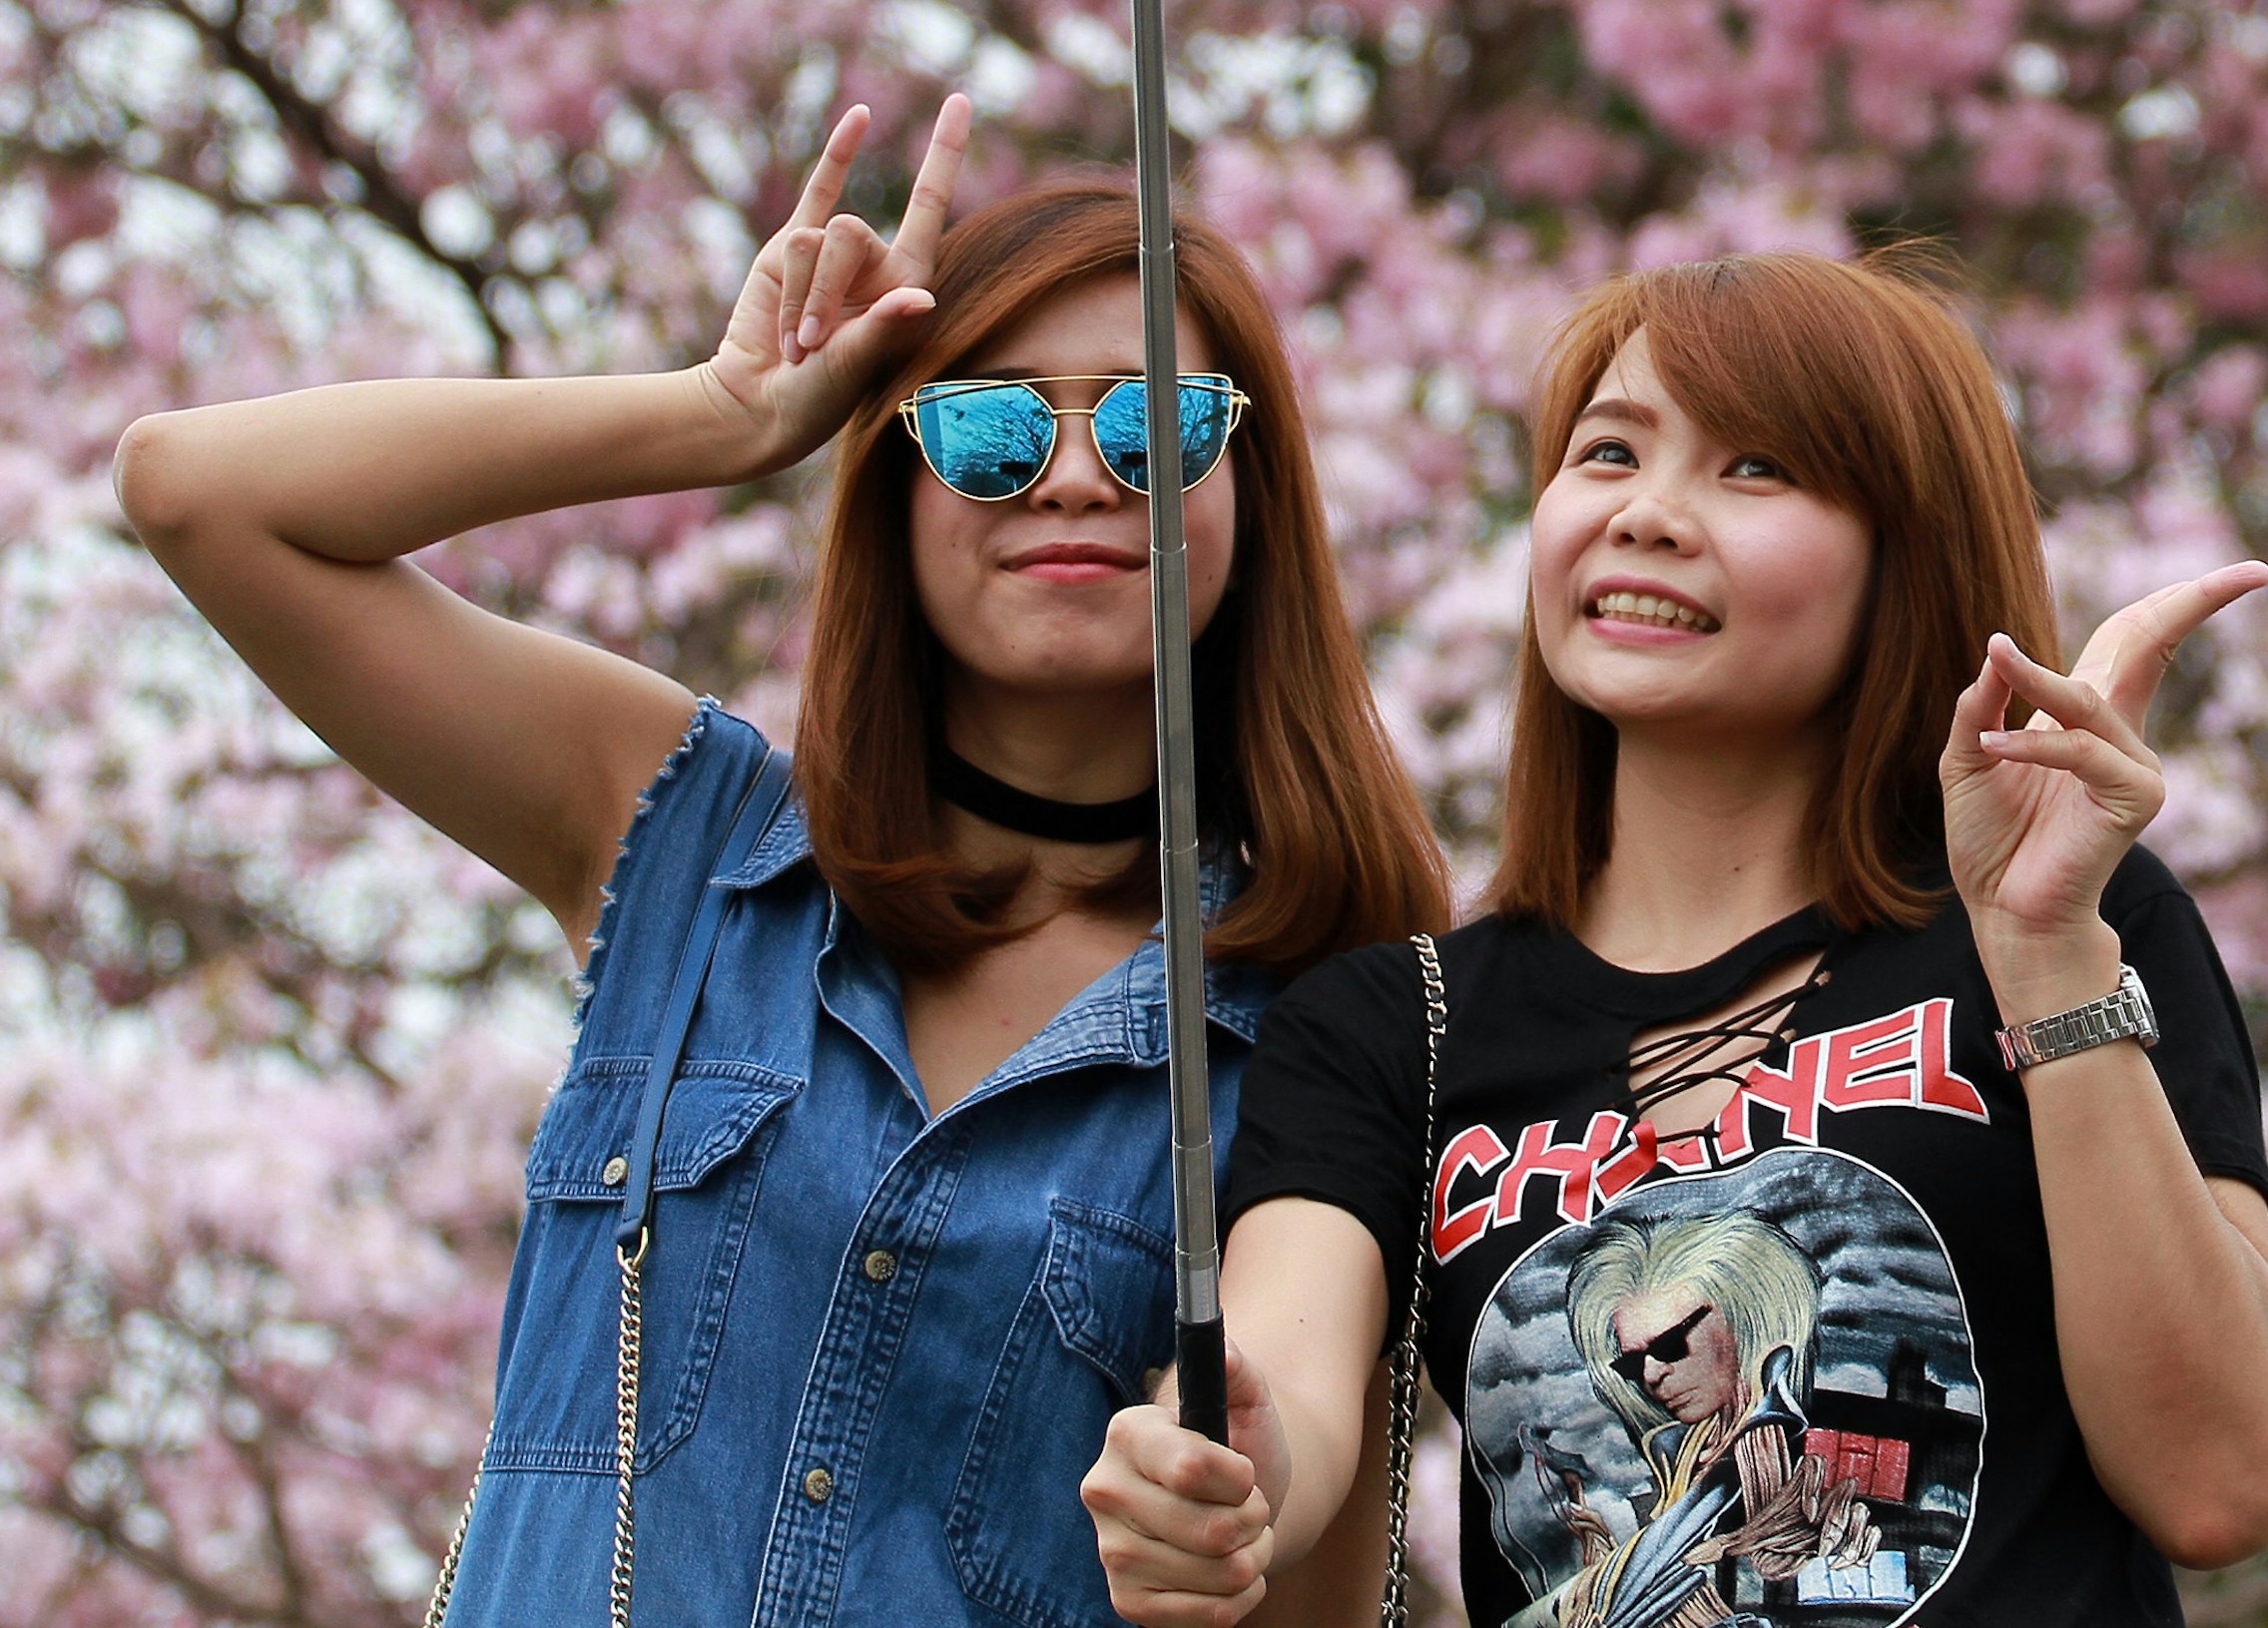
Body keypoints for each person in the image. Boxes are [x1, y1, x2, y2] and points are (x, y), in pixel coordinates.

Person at [112, 99, 1446, 1626]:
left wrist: (1232, 1490)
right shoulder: (682, 838)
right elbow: (195, 492)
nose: (1079, 481)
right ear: (895, 477)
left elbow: (1306, 1470)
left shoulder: (1324, 1025)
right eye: (995, 430)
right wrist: (723, 414)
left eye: (1159, 427)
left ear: (1247, 491)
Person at [1084, 251, 2268, 1628]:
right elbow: (1286, 1392)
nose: (1649, 517)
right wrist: (1221, 1470)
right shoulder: (1394, 1025)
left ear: (1903, 558)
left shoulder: (2084, 922)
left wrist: (2045, 952)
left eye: (1756, 471)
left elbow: (2221, 1487)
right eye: (1608, 454)